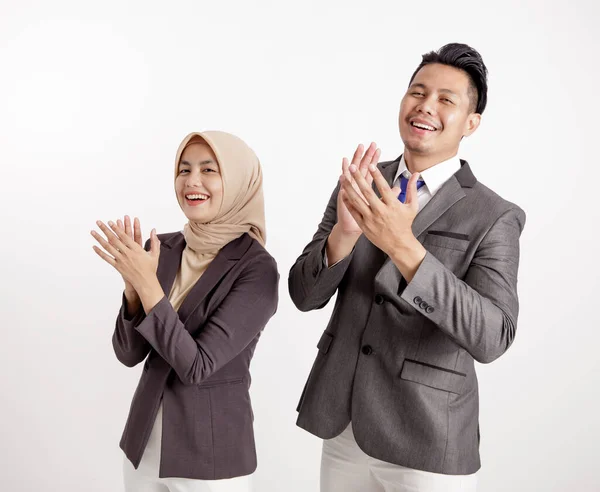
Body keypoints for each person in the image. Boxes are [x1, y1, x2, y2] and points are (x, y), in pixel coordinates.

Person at [288, 43, 526, 492]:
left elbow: (493, 336)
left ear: (471, 123)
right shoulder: (360, 182)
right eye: (417, 92)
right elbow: (304, 296)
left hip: (428, 437)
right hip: (342, 425)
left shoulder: (494, 214)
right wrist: (343, 236)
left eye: (445, 100)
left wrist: (405, 249)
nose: (425, 106)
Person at [91, 131, 279, 492]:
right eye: (184, 169)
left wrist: (147, 285)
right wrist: (133, 292)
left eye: (209, 170)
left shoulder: (257, 269)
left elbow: (197, 367)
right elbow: (129, 354)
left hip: (211, 457)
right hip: (144, 447)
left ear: (239, 180)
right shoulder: (163, 248)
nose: (192, 181)